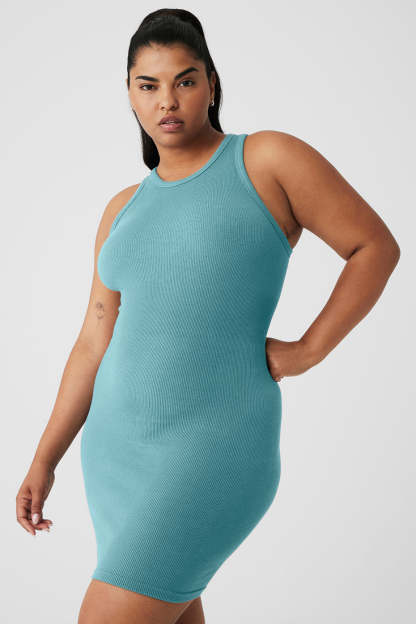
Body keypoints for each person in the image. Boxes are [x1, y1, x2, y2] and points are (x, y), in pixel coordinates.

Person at [15, 8, 400, 624]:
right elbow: (92, 342)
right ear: (130, 95)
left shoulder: (265, 160)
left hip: (213, 450)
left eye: (185, 80)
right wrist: (44, 458)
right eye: (149, 85)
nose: (167, 100)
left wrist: (307, 350)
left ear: (211, 85)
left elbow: (374, 247)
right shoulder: (122, 209)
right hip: (116, 464)